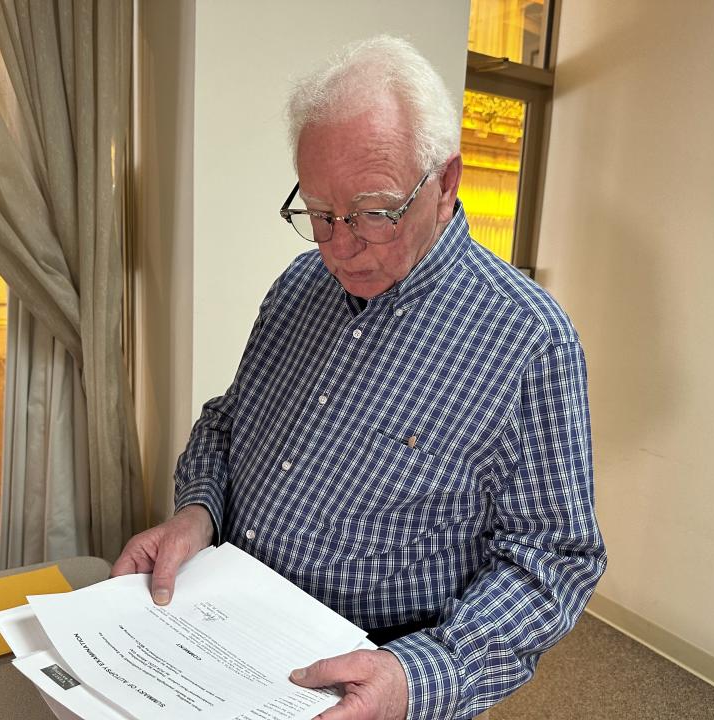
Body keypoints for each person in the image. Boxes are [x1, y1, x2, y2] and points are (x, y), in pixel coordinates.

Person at [112, 35, 605, 720]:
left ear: (446, 181)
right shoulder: (297, 287)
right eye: (318, 214)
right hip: (231, 647)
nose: (341, 247)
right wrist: (198, 513)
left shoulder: (529, 342)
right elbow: (228, 424)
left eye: (376, 213)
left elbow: (553, 559)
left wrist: (418, 677)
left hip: (368, 688)